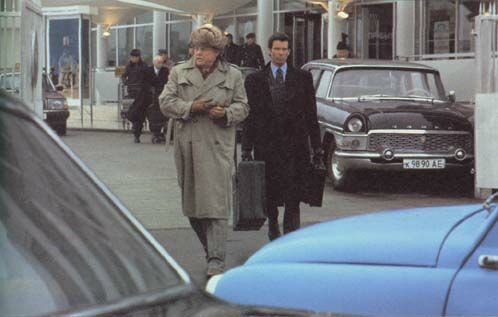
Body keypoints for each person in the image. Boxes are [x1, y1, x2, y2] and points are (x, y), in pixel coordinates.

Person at [159, 24, 249, 278]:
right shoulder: (178, 72)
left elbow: (243, 107)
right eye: (196, 48)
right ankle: (210, 250)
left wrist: (226, 114)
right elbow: (164, 102)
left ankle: (216, 260)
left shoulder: (232, 75)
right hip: (187, 145)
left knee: (216, 206)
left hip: (218, 145)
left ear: (217, 52)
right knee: (192, 206)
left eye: (205, 49)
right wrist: (191, 107)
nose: (198, 53)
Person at [241, 32, 323, 241]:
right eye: (277, 49)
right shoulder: (255, 80)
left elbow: (311, 114)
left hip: (295, 146)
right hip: (267, 144)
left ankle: (290, 234)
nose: (281, 53)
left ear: (289, 51)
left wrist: (317, 148)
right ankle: (273, 226)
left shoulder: (303, 78)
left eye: (285, 49)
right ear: (269, 51)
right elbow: (250, 115)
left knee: (293, 193)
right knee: (270, 192)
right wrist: (246, 149)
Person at [122, 48, 148, 143]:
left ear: (139, 57)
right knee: (134, 113)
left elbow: (147, 77)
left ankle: (136, 132)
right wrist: (126, 83)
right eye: (132, 57)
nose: (134, 59)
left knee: (139, 114)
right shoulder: (129, 66)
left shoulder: (144, 66)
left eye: (135, 57)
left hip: (141, 93)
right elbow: (124, 76)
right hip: (132, 92)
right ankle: (136, 131)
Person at [144, 55, 169, 144]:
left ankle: (162, 132)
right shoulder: (148, 70)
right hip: (151, 95)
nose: (160, 64)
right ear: (154, 62)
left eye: (161, 62)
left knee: (163, 115)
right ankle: (155, 132)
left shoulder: (165, 71)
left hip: (162, 94)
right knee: (152, 114)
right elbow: (145, 82)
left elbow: (167, 81)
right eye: (158, 62)